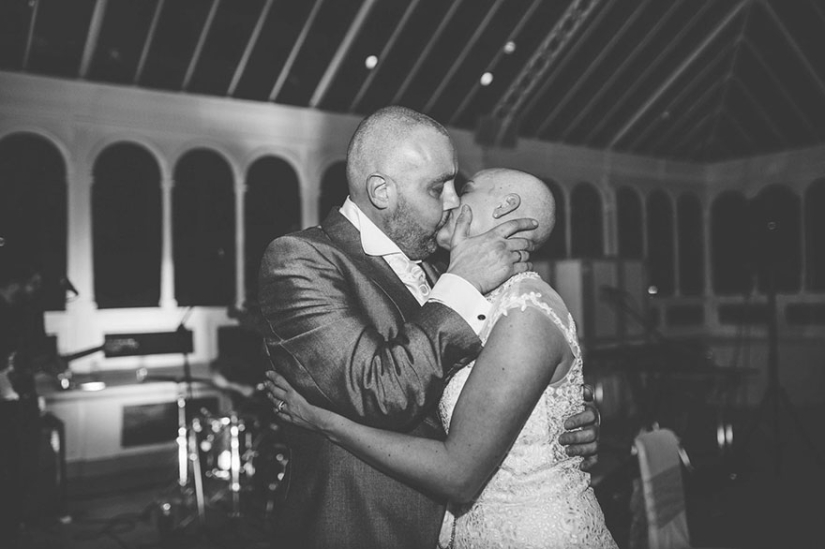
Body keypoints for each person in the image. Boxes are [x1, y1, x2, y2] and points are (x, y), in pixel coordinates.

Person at [257, 106, 600, 549]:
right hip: (364, 529)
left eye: (458, 184)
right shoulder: (301, 259)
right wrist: (462, 283)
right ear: (381, 191)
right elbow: (378, 392)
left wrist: (559, 422)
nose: (453, 200)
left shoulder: (449, 265)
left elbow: (497, 386)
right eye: (438, 187)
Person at [0, 250, 59, 547]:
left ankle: (17, 525)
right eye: (33, 283)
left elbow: (35, 353)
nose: (37, 289)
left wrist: (49, 362)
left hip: (22, 400)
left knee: (26, 463)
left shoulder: (31, 312)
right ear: (16, 282)